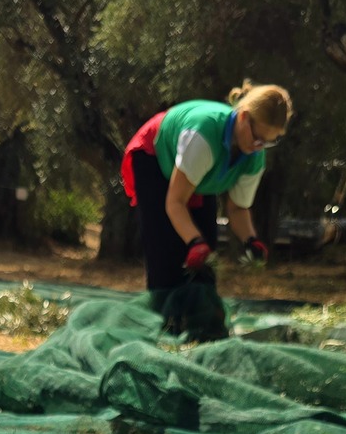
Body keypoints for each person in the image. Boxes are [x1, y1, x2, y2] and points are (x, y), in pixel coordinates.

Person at [121, 80, 293, 296]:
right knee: (165, 259)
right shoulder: (203, 137)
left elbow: (237, 208)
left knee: (205, 267)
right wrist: (194, 241)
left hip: (198, 173)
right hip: (154, 154)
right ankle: (163, 310)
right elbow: (175, 202)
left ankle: (199, 316)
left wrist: (251, 240)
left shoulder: (255, 157)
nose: (258, 147)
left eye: (267, 142)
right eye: (257, 137)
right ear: (243, 116)